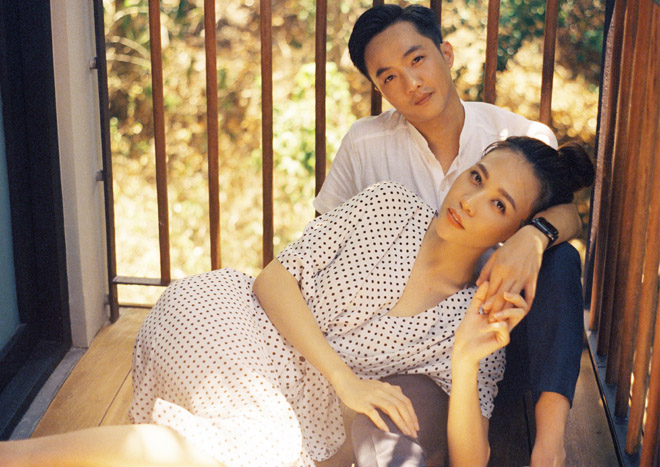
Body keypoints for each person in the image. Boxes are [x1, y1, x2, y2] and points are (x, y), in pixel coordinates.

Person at [0, 137, 594, 467]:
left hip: (291, 402)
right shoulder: (389, 204)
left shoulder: (473, 319)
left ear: (510, 233)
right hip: (230, 319)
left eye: (499, 205)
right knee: (259, 448)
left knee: (229, 451)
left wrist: (464, 363)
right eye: (477, 178)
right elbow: (272, 281)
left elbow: (471, 459)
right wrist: (344, 379)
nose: (471, 200)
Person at [314, 4, 586, 465]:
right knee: (395, 422)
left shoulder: (516, 134)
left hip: (498, 338)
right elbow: (323, 241)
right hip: (408, 357)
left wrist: (533, 236)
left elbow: (569, 214)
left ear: (446, 52)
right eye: (389, 77)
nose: (411, 83)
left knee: (561, 260)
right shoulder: (364, 144)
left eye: (417, 59)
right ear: (379, 89)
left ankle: (549, 446)